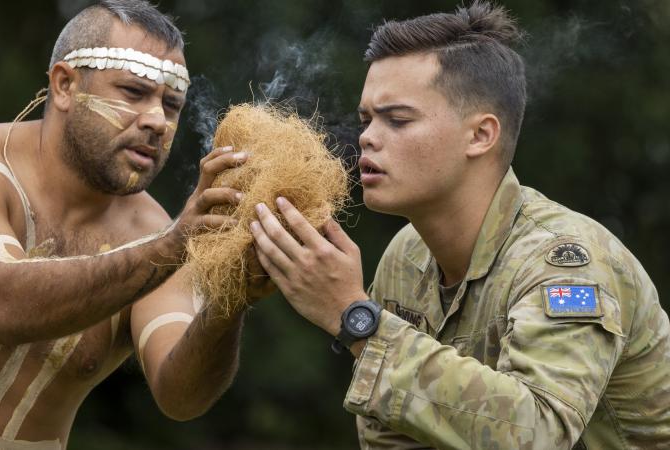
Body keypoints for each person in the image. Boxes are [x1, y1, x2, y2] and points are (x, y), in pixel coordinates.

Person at [249, 2, 670, 448]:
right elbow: (391, 437)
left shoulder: (564, 262)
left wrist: (357, 319)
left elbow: (539, 435)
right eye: (366, 119)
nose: (367, 137)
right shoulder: (405, 257)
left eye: (397, 119)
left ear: (481, 135)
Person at [0, 1, 269, 448]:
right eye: (133, 92)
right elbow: (0, 304)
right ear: (64, 86)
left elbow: (181, 397)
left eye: (171, 104)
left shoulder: (156, 234)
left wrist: (231, 301)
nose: (157, 120)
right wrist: (173, 245)